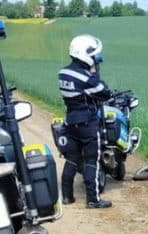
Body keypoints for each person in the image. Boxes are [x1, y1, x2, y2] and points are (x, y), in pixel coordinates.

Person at [57, 34, 113, 209]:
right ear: (84, 54)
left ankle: (67, 196)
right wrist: (94, 72)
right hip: (88, 124)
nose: (96, 58)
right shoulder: (86, 78)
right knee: (91, 161)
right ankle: (93, 199)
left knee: (72, 159)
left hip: (71, 122)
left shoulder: (63, 73)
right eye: (94, 55)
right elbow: (104, 93)